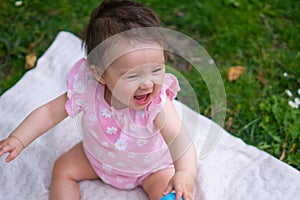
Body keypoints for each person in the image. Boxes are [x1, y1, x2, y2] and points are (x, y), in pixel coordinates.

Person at [0, 1, 197, 200]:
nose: (147, 84)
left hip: (151, 168)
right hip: (96, 159)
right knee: (63, 169)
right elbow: (50, 113)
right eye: (132, 76)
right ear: (101, 75)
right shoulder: (87, 89)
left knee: (171, 192)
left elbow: (179, 138)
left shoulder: (157, 104)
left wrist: (184, 173)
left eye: (156, 70)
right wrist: (19, 138)